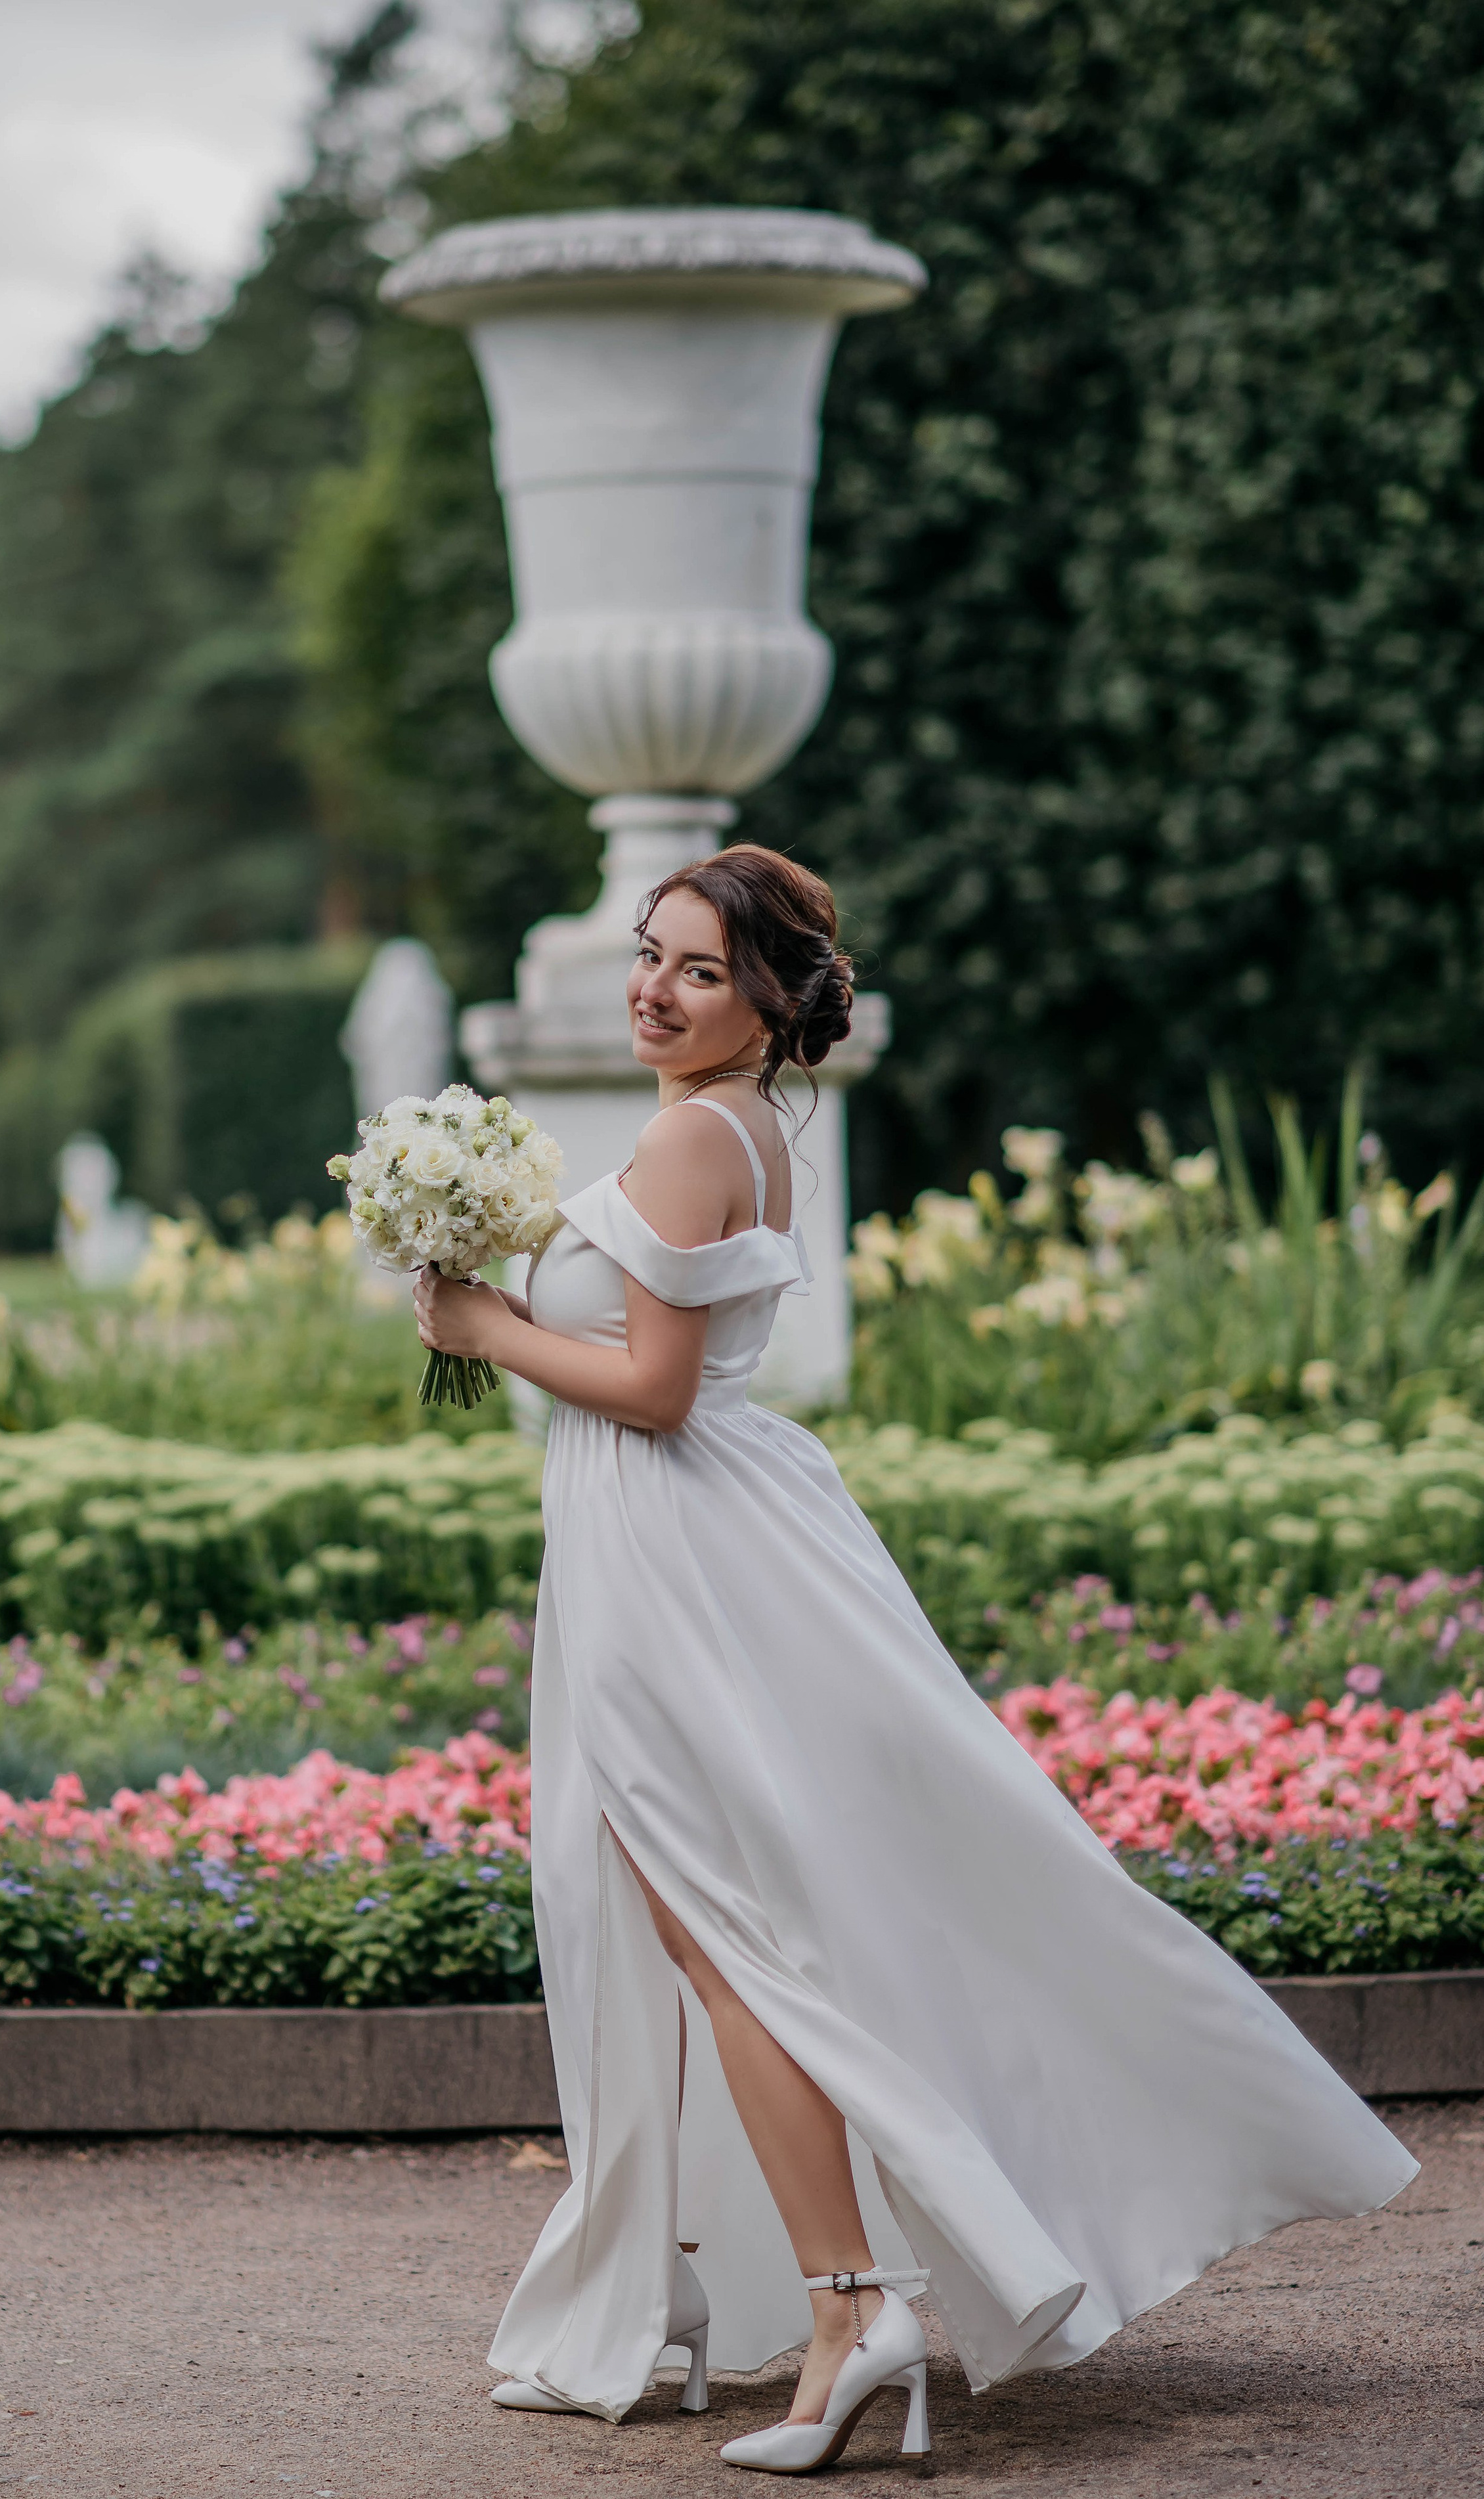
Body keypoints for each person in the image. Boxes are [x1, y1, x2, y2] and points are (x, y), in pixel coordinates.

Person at [412, 843, 1416, 2474]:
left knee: (726, 1940)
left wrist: (477, 1328)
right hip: (676, 1538)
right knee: (694, 1937)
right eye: (650, 956)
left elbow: (655, 1386)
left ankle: (844, 2305)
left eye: (698, 971)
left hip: (673, 1549)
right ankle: (673, 2279)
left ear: (765, 1000)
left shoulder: (689, 1131)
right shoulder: (740, 1126)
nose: (654, 990)